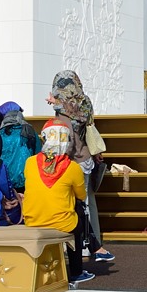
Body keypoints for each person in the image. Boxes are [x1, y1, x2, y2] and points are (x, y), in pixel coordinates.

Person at [47, 71, 114, 263]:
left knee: (76, 204)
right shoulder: (84, 102)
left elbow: (65, 135)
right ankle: (94, 241)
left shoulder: (62, 108)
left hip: (71, 159)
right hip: (86, 158)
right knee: (88, 202)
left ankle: (81, 244)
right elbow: (87, 124)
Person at [23, 120, 97, 284]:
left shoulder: (30, 163)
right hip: (62, 222)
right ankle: (77, 271)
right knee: (77, 214)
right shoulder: (73, 168)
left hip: (32, 219)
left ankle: (94, 246)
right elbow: (81, 195)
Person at [0, 104, 40, 193]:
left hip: (4, 178)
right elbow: (38, 152)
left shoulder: (0, 134)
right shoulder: (29, 131)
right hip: (25, 177)